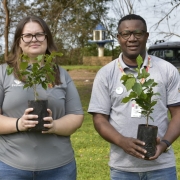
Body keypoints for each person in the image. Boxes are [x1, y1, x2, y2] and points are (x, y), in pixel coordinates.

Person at [88, 14, 180, 180]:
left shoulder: (167, 70)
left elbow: (178, 113)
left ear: (146, 36)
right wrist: (122, 141)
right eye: (126, 34)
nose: (132, 39)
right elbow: (99, 119)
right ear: (118, 38)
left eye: (138, 33)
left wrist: (164, 144)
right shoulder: (106, 74)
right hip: (122, 169)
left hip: (161, 168)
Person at [0, 15, 84, 180]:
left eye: (39, 34)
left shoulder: (61, 74)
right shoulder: (3, 73)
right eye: (28, 35)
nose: (34, 39)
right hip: (10, 167)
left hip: (59, 169)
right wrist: (19, 124)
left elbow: (76, 115)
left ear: (47, 38)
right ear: (19, 41)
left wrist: (55, 126)